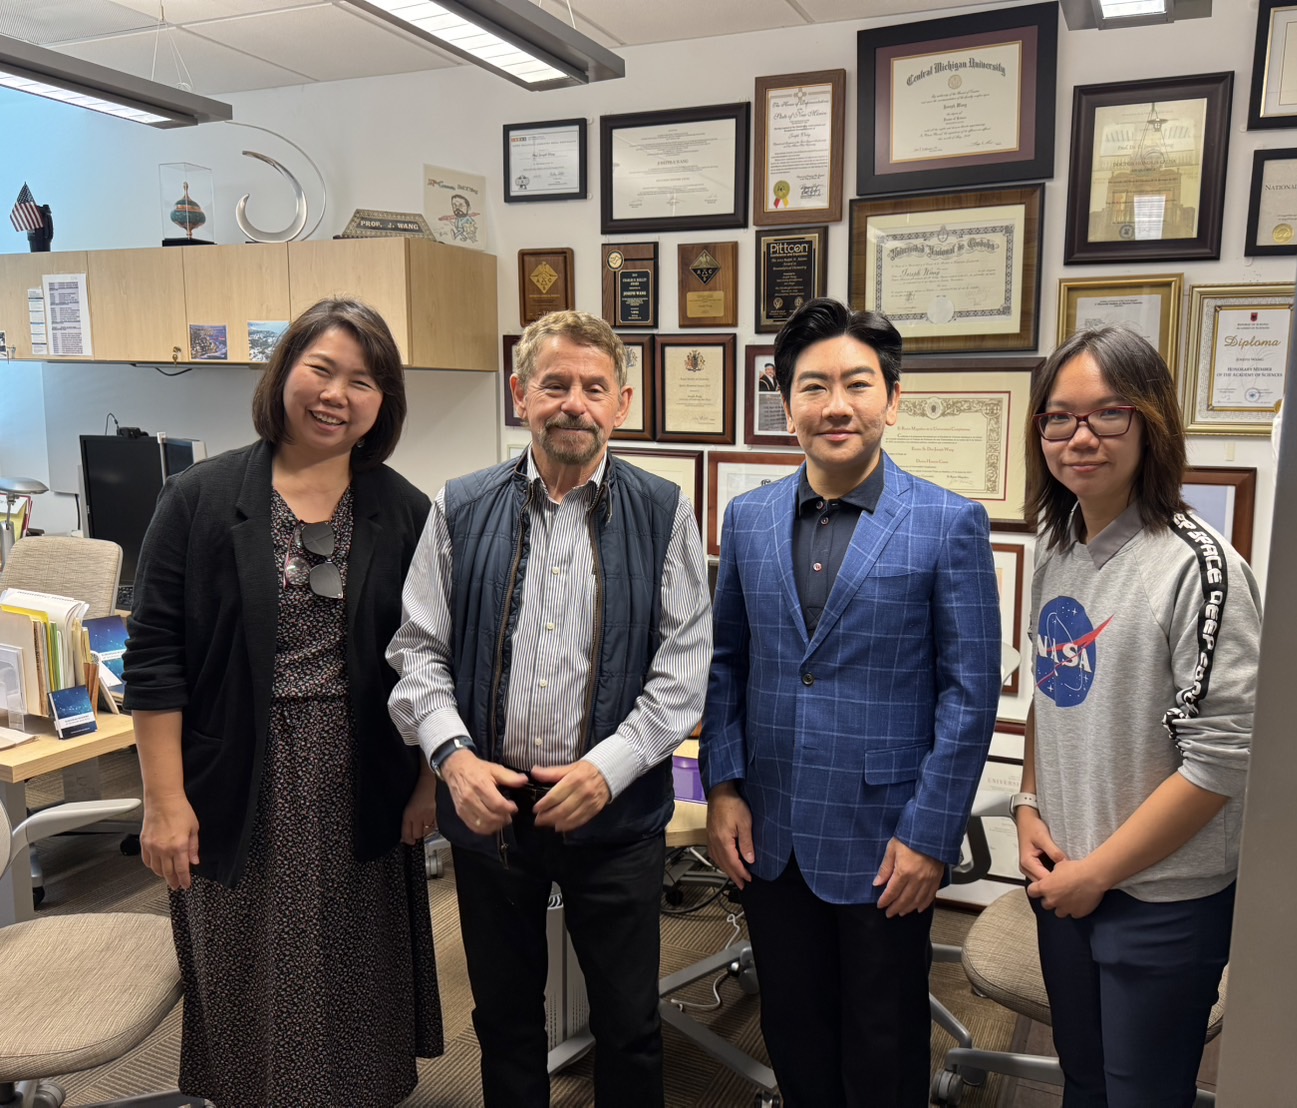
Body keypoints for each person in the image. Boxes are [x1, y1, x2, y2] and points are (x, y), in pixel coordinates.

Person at [387, 309, 711, 1107]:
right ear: (520, 395)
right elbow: (417, 651)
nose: (574, 403)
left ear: (621, 404)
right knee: (503, 1018)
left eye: (594, 388)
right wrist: (452, 760)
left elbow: (683, 671)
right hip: (489, 811)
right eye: (555, 384)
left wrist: (610, 770)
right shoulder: (459, 505)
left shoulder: (664, 510)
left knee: (628, 1023)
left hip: (614, 814)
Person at [124, 298, 443, 1106]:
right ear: (284, 373)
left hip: (363, 772)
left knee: (358, 964)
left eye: (362, 381)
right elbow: (154, 658)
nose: (337, 395)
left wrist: (427, 784)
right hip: (237, 773)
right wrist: (163, 800)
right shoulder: (197, 498)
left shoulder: (405, 510)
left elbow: (434, 659)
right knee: (251, 963)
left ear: (383, 402)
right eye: (321, 370)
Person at [701, 297, 1001, 1106]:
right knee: (792, 1028)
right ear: (785, 400)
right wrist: (723, 789)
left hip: (887, 838)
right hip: (769, 831)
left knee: (882, 1040)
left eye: (857, 384)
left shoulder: (948, 523)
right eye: (813, 386)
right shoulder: (748, 518)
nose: (835, 405)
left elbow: (969, 695)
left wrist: (929, 836)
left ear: (892, 400)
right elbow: (726, 664)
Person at [1016, 325, 1262, 1107]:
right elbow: (1050, 691)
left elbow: (1221, 761)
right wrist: (1027, 804)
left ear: (1150, 420)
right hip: (1066, 879)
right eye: (1059, 418)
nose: (1079, 437)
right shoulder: (1058, 551)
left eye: (1107, 414)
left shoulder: (1200, 568)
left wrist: (1098, 874)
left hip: (1160, 898)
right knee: (1084, 1081)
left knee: (1143, 1094)